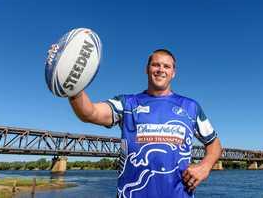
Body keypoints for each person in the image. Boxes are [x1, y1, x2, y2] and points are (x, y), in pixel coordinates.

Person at [69, 49, 222, 198]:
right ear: (147, 69)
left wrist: (205, 166)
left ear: (173, 73)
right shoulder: (126, 104)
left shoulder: (190, 107)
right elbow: (89, 113)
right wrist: (72, 80)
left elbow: (214, 143)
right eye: (156, 65)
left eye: (166, 66)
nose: (161, 69)